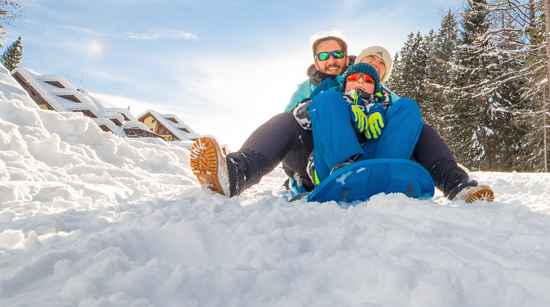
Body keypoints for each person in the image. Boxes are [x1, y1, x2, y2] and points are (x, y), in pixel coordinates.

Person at [190, 34, 493, 202]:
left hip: (379, 155)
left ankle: (456, 183)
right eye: (324, 56)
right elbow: (294, 123)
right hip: (318, 154)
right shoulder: (317, 92)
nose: (331, 60)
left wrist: (378, 110)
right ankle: (236, 173)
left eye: (375, 72)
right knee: (291, 118)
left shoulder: (389, 98)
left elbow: (406, 124)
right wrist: (330, 104)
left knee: (416, 118)